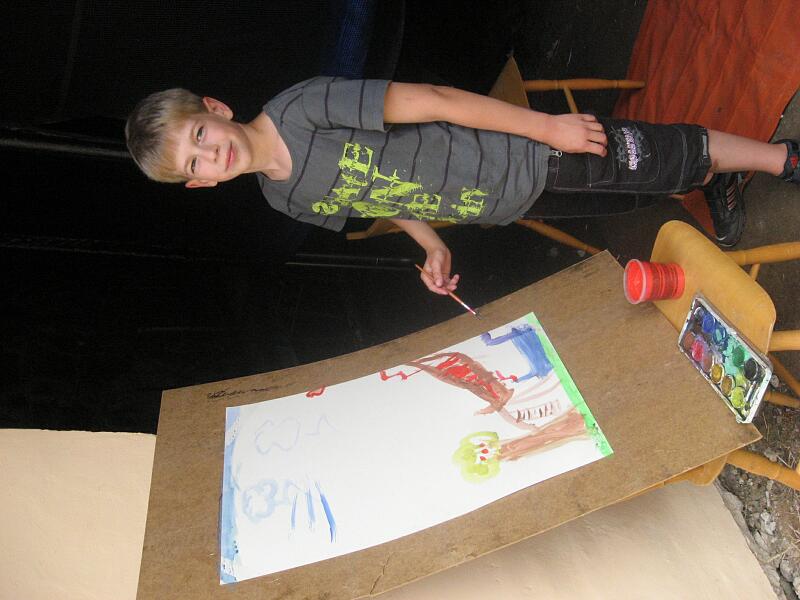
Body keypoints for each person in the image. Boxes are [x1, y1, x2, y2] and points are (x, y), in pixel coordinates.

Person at [125, 77, 799, 295]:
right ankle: (717, 180)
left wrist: (547, 127)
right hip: (507, 201)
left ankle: (780, 157)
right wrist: (430, 246)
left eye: (200, 136)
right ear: (200, 186)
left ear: (215, 108)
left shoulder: (303, 108)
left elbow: (435, 100)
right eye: (195, 165)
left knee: (654, 154)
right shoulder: (282, 197)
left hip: (526, 152)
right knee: (641, 187)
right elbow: (377, 196)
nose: (210, 155)